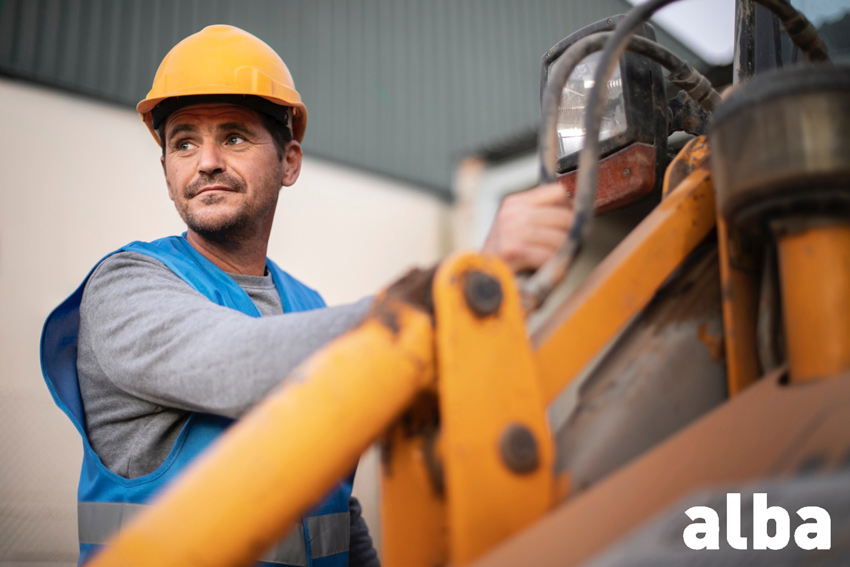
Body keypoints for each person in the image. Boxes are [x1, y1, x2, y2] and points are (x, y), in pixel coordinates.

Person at [40, 24, 573, 567]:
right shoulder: (126, 286)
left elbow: (336, 510)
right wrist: (454, 285)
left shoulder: (308, 307)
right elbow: (233, 363)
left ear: (289, 162)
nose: (206, 162)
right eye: (184, 143)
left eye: (234, 136)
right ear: (167, 169)